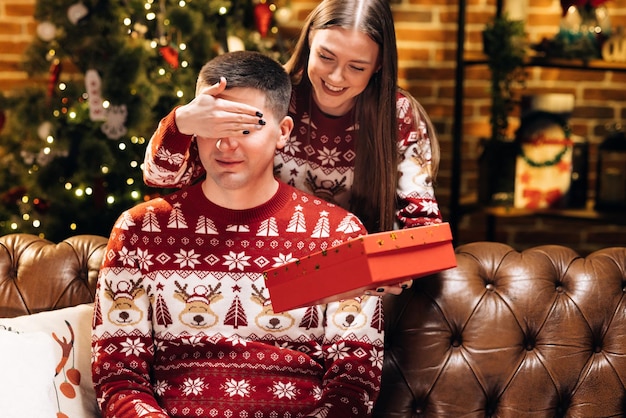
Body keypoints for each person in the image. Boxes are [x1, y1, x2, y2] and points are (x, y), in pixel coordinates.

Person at [92, 51, 383, 418]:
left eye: (246, 128)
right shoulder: (140, 231)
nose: (226, 144)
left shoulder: (339, 236)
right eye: (214, 127)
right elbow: (119, 378)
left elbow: (354, 383)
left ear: (283, 133)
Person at [142, 0, 442, 297]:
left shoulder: (397, 115)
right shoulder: (271, 96)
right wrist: (181, 122)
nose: (336, 77)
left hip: (351, 292)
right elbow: (162, 178)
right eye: (326, 57)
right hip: (260, 269)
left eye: (356, 66)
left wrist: (369, 272)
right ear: (310, 39)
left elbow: (427, 236)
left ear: (378, 65)